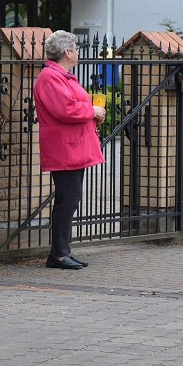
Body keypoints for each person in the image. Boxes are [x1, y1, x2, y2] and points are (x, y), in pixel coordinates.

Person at [33, 31, 105, 270]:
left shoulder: (60, 76)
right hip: (65, 149)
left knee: (70, 199)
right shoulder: (51, 77)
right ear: (67, 53)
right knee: (67, 200)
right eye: (76, 49)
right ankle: (58, 254)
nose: (78, 53)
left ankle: (63, 251)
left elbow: (72, 106)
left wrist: (92, 112)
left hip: (72, 147)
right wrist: (92, 111)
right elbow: (65, 109)